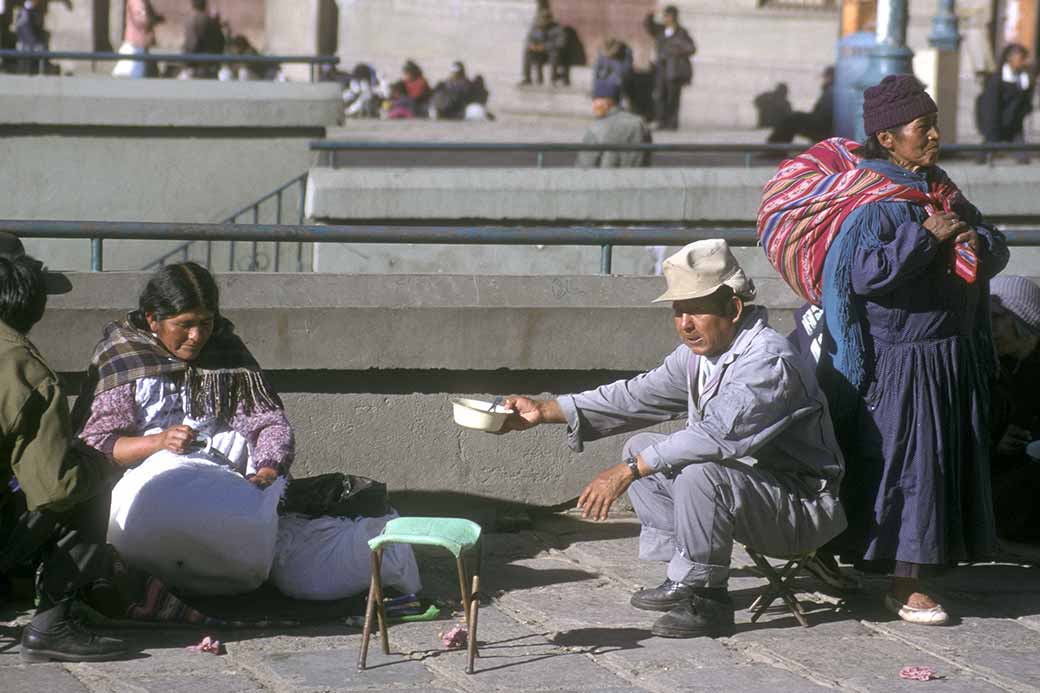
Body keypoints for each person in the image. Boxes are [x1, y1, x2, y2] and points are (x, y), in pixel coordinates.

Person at [500, 240, 847, 638]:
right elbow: (636, 395)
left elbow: (715, 438)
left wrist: (627, 472)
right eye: (678, 312)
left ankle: (707, 598)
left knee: (696, 471)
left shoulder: (768, 362)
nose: (684, 324)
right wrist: (544, 411)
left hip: (800, 510)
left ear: (733, 310)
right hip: (750, 494)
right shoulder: (700, 355)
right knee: (641, 447)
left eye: (695, 311)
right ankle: (683, 576)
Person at [820, 75, 1009, 625]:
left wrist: (977, 241)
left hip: (949, 356)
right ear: (887, 138)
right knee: (912, 469)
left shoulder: (941, 189)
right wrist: (924, 238)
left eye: (934, 126)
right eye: (922, 128)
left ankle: (907, 564)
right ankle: (907, 583)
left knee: (941, 463)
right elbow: (861, 273)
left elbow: (994, 244)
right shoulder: (873, 202)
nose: (934, 137)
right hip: (903, 360)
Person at [0, 233, 127, 662]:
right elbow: (55, 489)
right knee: (89, 475)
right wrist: (103, 464)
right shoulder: (23, 369)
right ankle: (53, 623)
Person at [74, 262, 292, 489]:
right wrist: (159, 442)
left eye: (205, 323)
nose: (196, 336)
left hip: (222, 490)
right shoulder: (124, 358)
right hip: (141, 496)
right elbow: (96, 444)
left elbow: (269, 424)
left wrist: (267, 472)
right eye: (184, 325)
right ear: (152, 319)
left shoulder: (226, 354)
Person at [989, 276, 1040, 543]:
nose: (991, 327)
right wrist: (997, 442)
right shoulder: (993, 369)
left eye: (999, 318)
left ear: (1022, 319)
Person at [977, 43, 1033, 163]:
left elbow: (1025, 103)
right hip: (996, 124)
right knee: (984, 156)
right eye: (1021, 58)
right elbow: (991, 107)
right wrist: (992, 127)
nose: (1024, 62)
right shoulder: (997, 80)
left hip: (1014, 126)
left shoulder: (1024, 79)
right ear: (1010, 58)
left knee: (1023, 159)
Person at [576, 79, 651, 168]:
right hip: (639, 180)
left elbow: (584, 167)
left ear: (607, 102)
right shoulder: (639, 123)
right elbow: (647, 159)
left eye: (595, 99)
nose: (593, 105)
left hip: (606, 180)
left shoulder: (597, 128)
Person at [643, 5, 695, 130]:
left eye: (669, 16)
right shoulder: (660, 30)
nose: (667, 18)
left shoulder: (681, 32)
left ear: (674, 17)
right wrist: (650, 15)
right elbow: (649, 27)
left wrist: (675, 49)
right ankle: (661, 121)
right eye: (665, 16)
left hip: (674, 70)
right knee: (660, 96)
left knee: (673, 97)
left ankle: (672, 123)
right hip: (661, 68)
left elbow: (691, 48)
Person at [767, 66, 834, 144]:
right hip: (823, 124)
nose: (823, 80)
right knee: (792, 118)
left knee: (791, 119)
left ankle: (774, 148)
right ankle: (776, 147)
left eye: (825, 77)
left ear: (829, 77)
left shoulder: (831, 91)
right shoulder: (831, 90)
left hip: (823, 128)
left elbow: (823, 114)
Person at [112, 0, 162, 79]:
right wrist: (153, 19)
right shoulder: (137, 1)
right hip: (136, 42)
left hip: (139, 41)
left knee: (145, 70)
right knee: (136, 71)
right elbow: (141, 19)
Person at [521, 7, 566, 86]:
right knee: (527, 52)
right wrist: (532, 46)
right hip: (538, 53)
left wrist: (544, 47)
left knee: (554, 54)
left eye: (545, 18)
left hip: (550, 53)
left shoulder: (557, 28)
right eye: (541, 18)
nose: (542, 20)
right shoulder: (535, 27)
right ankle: (527, 78)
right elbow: (528, 39)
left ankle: (553, 79)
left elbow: (560, 43)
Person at [181, 0, 225, 79]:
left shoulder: (192, 20)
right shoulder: (211, 20)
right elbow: (221, 42)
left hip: (197, 66)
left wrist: (186, 62)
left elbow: (192, 44)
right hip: (211, 64)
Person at [593, 38, 634, 103]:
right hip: (604, 88)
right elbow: (597, 72)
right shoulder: (602, 57)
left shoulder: (624, 55)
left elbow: (625, 73)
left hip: (617, 84)